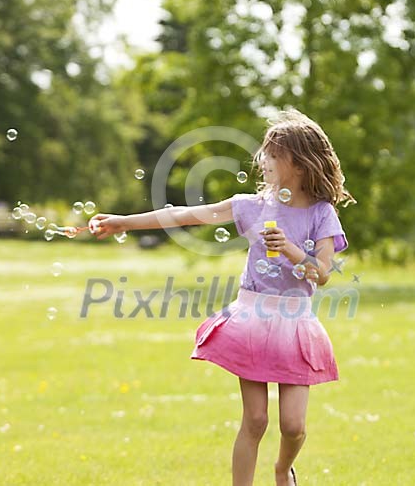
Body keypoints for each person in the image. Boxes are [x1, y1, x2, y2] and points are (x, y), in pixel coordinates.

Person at [91, 109, 354, 486]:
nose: (263, 160)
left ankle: (282, 469)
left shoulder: (321, 212)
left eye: (272, 153)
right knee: (256, 420)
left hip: (294, 322)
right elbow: (184, 215)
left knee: (293, 427)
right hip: (252, 320)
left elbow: (323, 274)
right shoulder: (252, 206)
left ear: (297, 162)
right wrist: (123, 221)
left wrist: (293, 250)